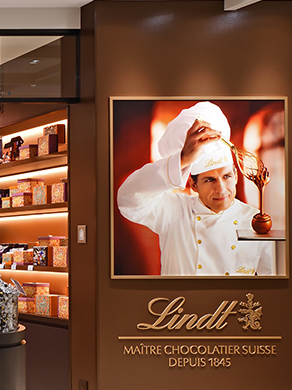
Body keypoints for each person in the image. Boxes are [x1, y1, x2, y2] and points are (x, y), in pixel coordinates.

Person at [117, 102, 275, 276]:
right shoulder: (174, 211)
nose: (221, 189)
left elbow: (271, 281)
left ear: (236, 176)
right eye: (209, 180)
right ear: (194, 185)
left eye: (227, 177)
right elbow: (128, 198)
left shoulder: (255, 221)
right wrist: (182, 160)